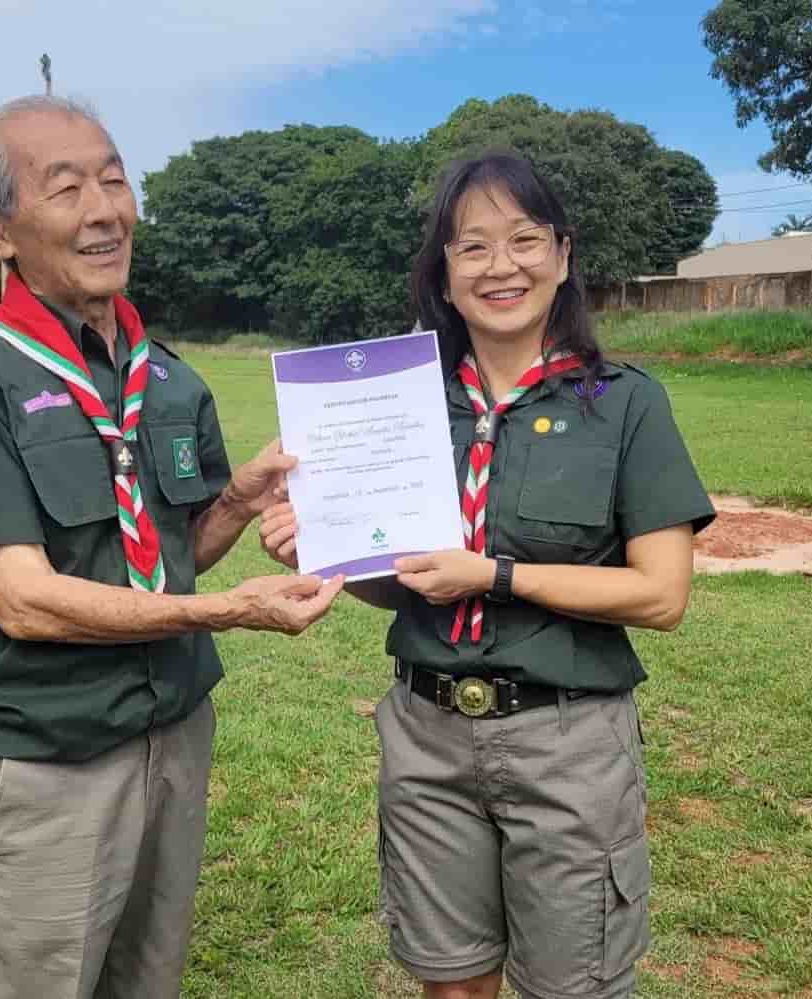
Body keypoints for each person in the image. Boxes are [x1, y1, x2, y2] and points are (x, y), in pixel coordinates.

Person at [0, 95, 342, 999]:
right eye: (66, 189)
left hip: (174, 743)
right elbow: (24, 599)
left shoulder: (169, 380)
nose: (105, 209)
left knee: (148, 979)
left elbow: (174, 552)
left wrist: (235, 501)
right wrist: (223, 614)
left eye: (114, 178)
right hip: (50, 768)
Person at [260, 151, 715, 999]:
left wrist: (496, 575)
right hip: (427, 735)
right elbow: (406, 580)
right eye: (472, 247)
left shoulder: (624, 403)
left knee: (570, 986)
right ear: (444, 271)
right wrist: (324, 549)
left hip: (568, 743)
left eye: (525, 239)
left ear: (564, 256)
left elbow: (661, 593)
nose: (501, 266)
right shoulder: (401, 407)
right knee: (451, 984)